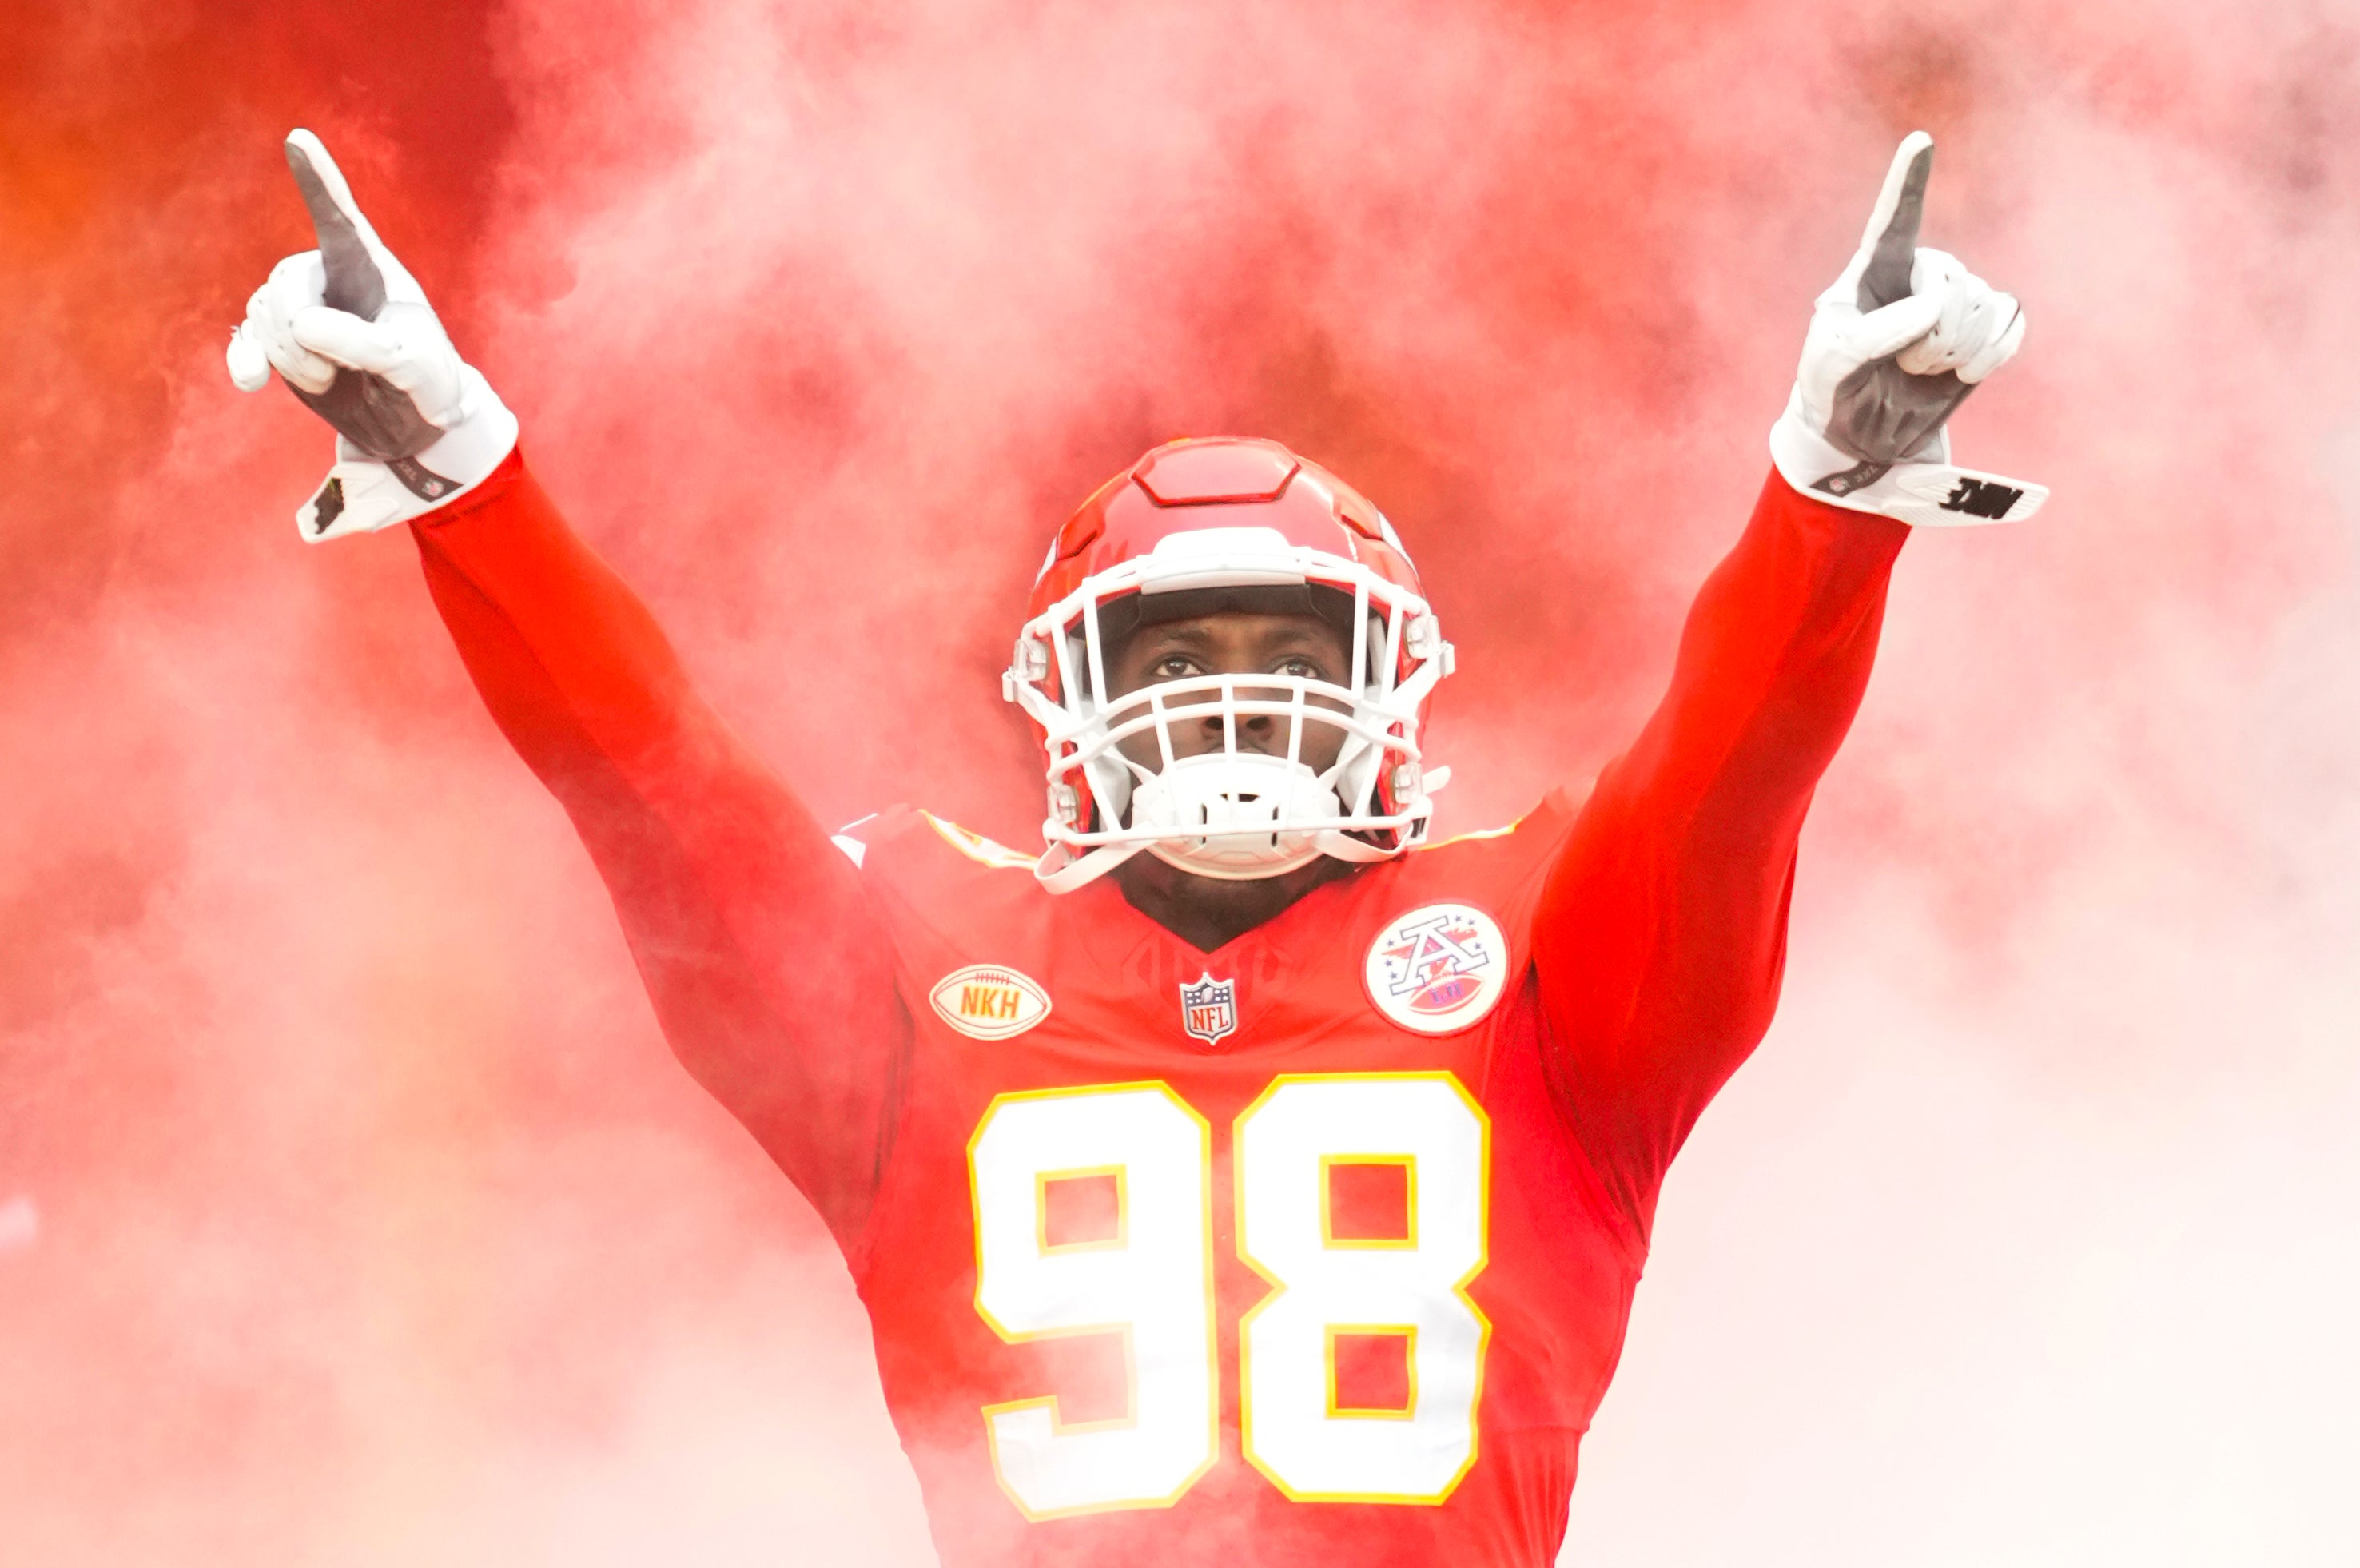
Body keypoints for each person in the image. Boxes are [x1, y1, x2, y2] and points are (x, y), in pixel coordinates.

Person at [229, 127, 2039, 1567]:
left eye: (1286, 653)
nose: (1235, 706)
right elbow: (650, 781)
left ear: (1389, 683)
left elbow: (1737, 771)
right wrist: (469, 477)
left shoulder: (1543, 953)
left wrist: (1827, 491)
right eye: (1179, 655)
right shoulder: (925, 973)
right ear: (1068, 693)